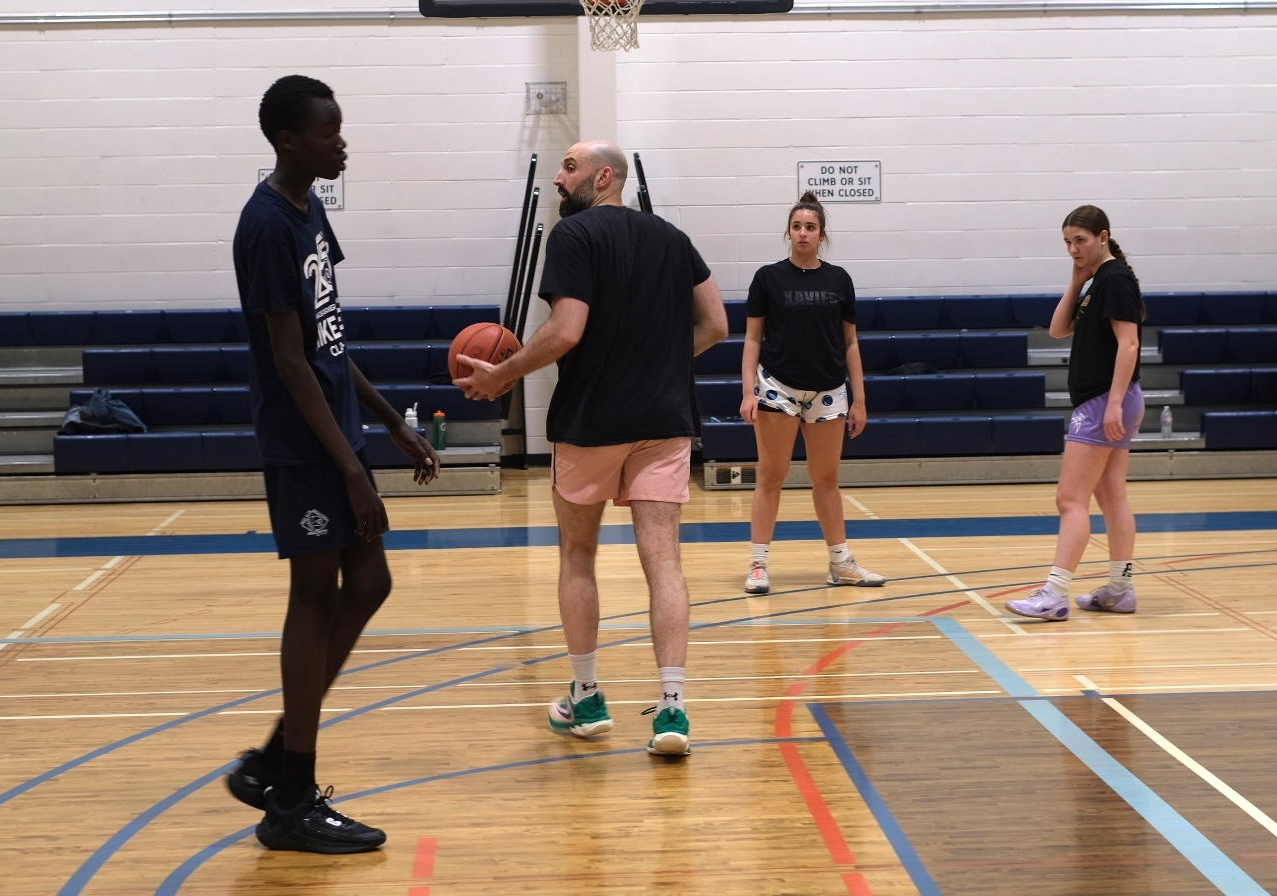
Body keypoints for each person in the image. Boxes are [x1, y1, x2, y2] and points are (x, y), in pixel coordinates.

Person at [455, 140, 727, 757]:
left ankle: (586, 694)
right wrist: (655, 363)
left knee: (578, 557)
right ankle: (673, 711)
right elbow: (716, 325)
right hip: (664, 419)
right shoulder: (672, 238)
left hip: (592, 421)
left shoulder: (574, 238)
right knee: (665, 565)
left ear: (603, 177)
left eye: (569, 167)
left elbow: (566, 330)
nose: (558, 176)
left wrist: (502, 376)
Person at [227, 74, 440, 852]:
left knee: (373, 581)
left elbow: (329, 341)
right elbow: (288, 362)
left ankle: (279, 757)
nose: (341, 141)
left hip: (339, 432)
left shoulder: (309, 210)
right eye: (329, 131)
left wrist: (388, 427)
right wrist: (348, 470)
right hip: (302, 441)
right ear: (289, 139)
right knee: (314, 598)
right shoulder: (265, 228)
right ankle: (290, 799)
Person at [739, 191, 884, 596]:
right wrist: (749, 390)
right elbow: (752, 340)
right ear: (788, 232)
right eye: (797, 226)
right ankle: (758, 564)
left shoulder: (839, 279)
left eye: (811, 227)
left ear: (822, 234)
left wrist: (859, 398)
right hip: (777, 388)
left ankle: (841, 563)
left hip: (829, 390)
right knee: (771, 476)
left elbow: (851, 342)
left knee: (827, 479)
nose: (803, 233)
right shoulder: (767, 278)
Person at [1006, 204, 1145, 622]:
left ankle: (1054, 593)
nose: (1073, 249)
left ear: (1103, 236)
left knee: (1070, 499)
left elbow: (1130, 344)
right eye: (1067, 242)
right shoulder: (1097, 280)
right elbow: (1057, 329)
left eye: (1080, 241)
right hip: (1109, 399)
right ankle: (1120, 589)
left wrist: (1115, 402)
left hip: (1104, 399)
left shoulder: (1115, 278)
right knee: (1111, 494)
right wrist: (1075, 281)